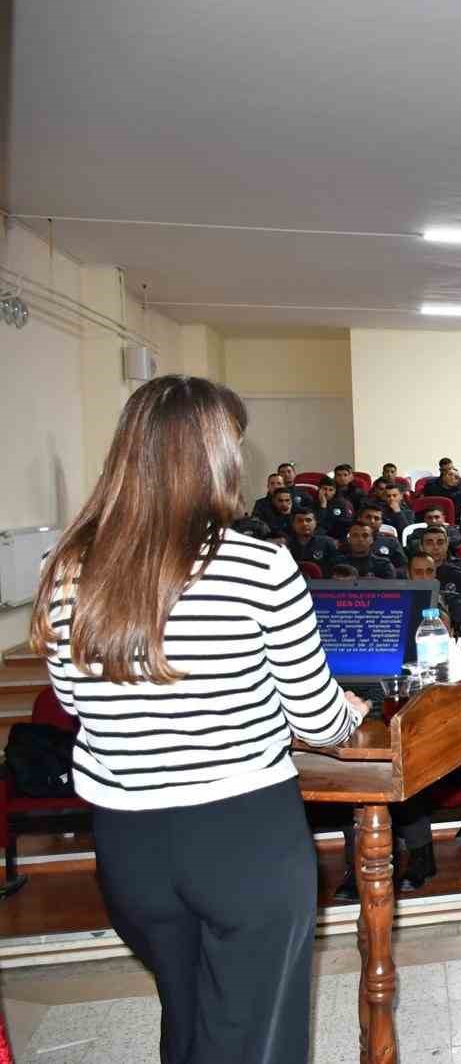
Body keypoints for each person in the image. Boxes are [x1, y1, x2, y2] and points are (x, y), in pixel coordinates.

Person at [32, 376, 368, 1064]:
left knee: (186, 1024)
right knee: (255, 1038)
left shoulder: (67, 567)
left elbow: (73, 702)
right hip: (242, 832)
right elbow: (315, 715)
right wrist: (347, 710)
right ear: (214, 456)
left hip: (129, 844)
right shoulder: (257, 564)